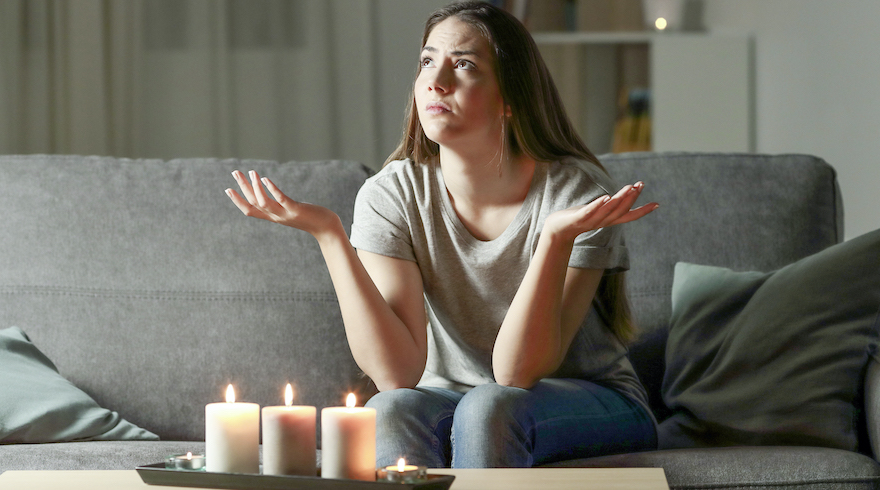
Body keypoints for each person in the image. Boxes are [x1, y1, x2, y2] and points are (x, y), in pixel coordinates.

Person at [225, 1, 659, 468]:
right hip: (453, 398)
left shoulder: (575, 195)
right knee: (386, 411)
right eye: (428, 61)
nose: (436, 79)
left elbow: (518, 372)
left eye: (465, 64)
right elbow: (397, 373)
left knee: (490, 407)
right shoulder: (392, 194)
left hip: (591, 400)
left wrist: (553, 240)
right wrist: (329, 234)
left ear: (511, 97)